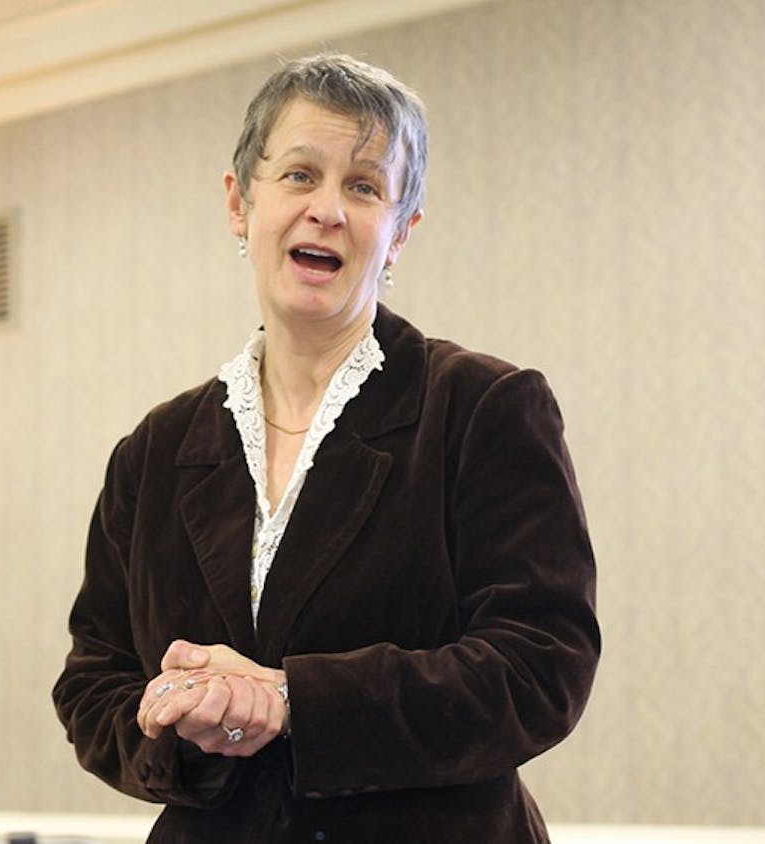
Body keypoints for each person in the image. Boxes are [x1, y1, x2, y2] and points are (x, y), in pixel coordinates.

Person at [52, 53, 600, 843]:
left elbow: (542, 664)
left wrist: (289, 700)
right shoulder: (154, 449)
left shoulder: (483, 407)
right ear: (241, 203)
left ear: (401, 231)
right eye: (300, 175)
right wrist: (169, 721)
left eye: (365, 186)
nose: (327, 210)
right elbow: (91, 681)